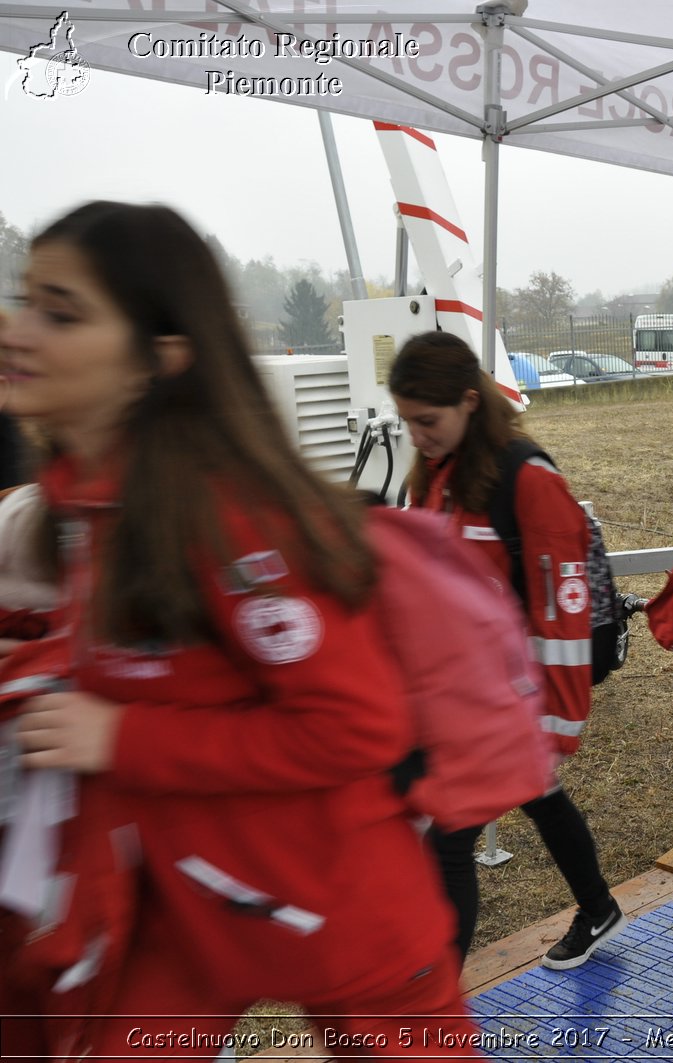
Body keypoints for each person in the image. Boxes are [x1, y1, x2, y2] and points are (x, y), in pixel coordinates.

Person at [0, 201, 477, 1056]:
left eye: (59, 313)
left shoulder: (233, 519)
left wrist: (119, 734)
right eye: (23, 299)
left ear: (162, 356)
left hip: (339, 905)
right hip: (185, 911)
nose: (16, 330)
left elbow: (352, 724)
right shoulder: (86, 506)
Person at [388, 330, 626, 971]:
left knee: (448, 837)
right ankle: (598, 905)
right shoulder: (434, 474)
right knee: (539, 798)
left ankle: (430, 1009)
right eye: (407, 420)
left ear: (470, 400)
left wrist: (553, 724)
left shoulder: (527, 480)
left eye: (427, 420)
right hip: (461, 698)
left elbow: (565, 614)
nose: (417, 434)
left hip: (510, 702)